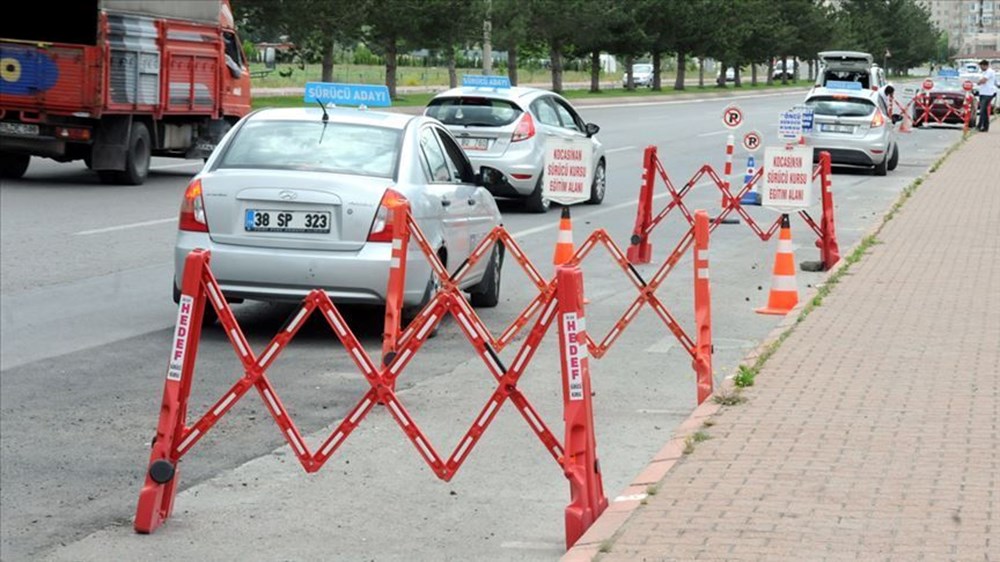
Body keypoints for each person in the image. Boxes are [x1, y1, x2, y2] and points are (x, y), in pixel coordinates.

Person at [974, 59, 996, 132]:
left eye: (981, 66)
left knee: (982, 110)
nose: (981, 68)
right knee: (985, 111)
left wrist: (977, 83)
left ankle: (980, 125)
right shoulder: (984, 72)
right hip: (983, 92)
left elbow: (983, 80)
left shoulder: (989, 71)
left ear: (985, 65)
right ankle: (985, 127)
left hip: (988, 93)